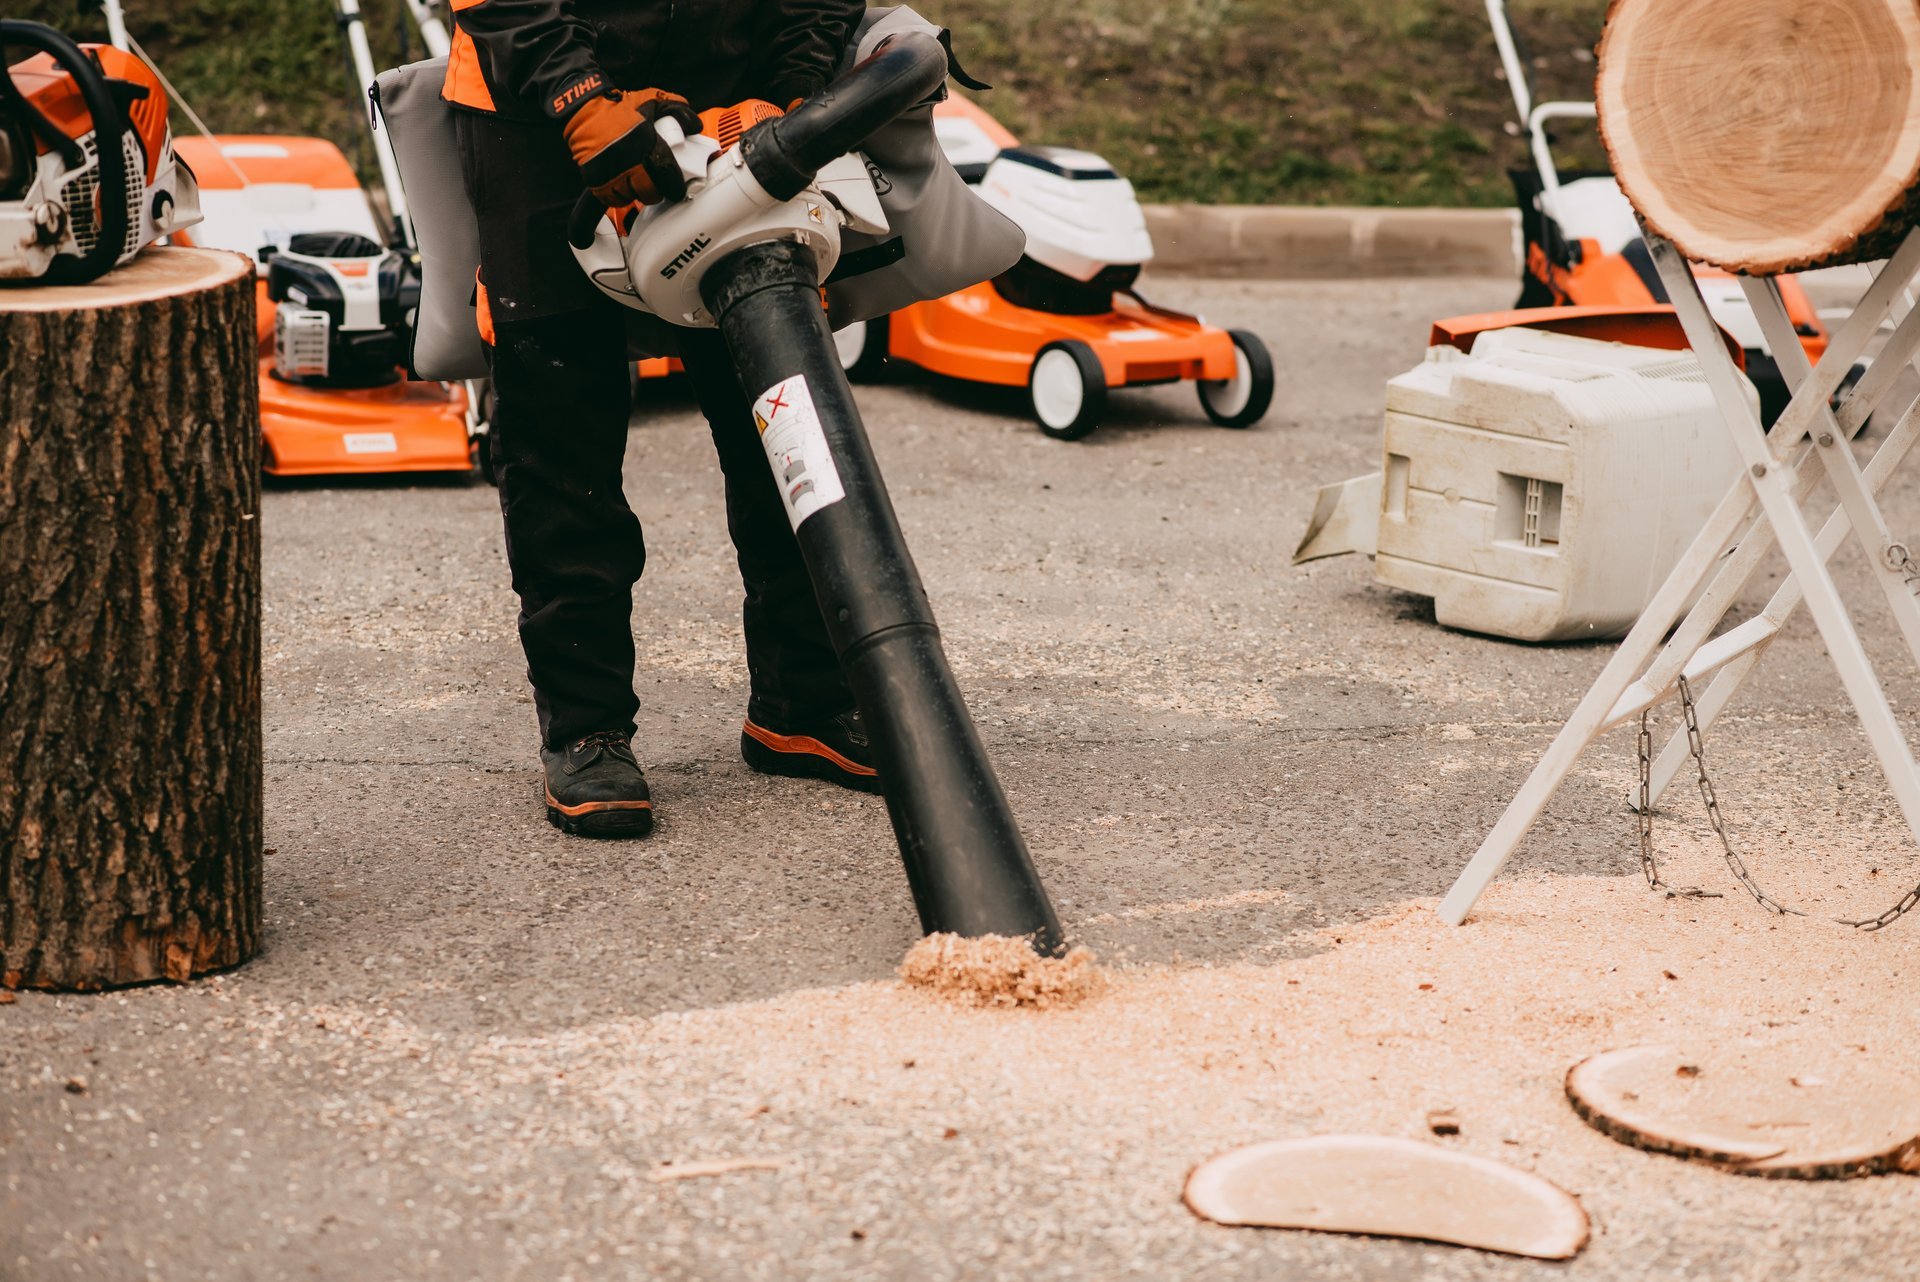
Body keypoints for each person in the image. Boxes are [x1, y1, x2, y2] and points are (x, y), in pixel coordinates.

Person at [444, 0, 875, 838]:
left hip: (729, 97)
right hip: (534, 112)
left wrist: (791, 92)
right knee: (563, 433)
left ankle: (803, 701)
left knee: (778, 413)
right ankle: (586, 728)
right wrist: (578, 98)